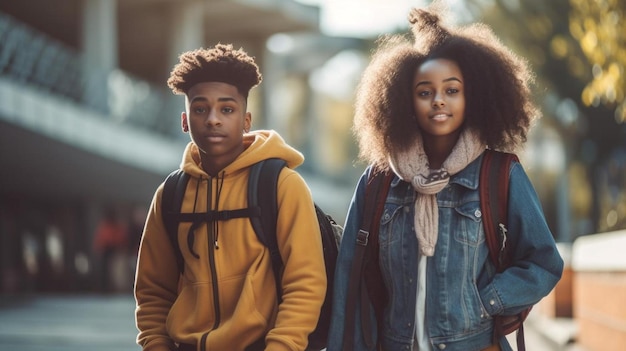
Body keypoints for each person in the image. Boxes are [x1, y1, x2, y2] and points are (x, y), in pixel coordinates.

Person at [327, 3, 564, 351]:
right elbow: (349, 278)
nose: (439, 101)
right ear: (403, 101)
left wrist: (486, 302)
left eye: (452, 90)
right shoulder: (378, 182)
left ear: (473, 97)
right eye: (425, 92)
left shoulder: (499, 174)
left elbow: (544, 261)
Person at [134, 44, 326, 351]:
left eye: (227, 109)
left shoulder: (282, 185)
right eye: (200, 109)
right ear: (184, 121)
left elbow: (305, 283)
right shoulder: (170, 195)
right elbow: (153, 291)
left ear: (246, 120)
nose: (213, 119)